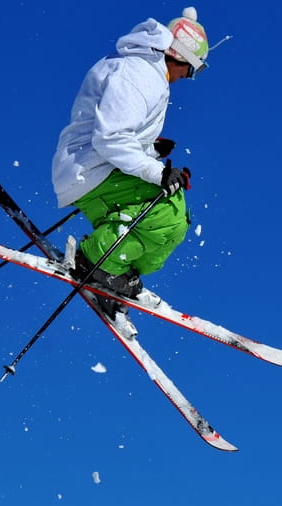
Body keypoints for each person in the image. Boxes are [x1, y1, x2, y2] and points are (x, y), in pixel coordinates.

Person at [51, 7, 211, 316]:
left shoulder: (145, 74)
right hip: (90, 171)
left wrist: (150, 151)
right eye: (192, 70)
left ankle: (114, 273)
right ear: (178, 58)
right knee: (166, 212)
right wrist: (157, 171)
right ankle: (95, 260)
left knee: (174, 220)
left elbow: (118, 133)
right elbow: (110, 138)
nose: (187, 78)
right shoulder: (139, 76)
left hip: (97, 171)